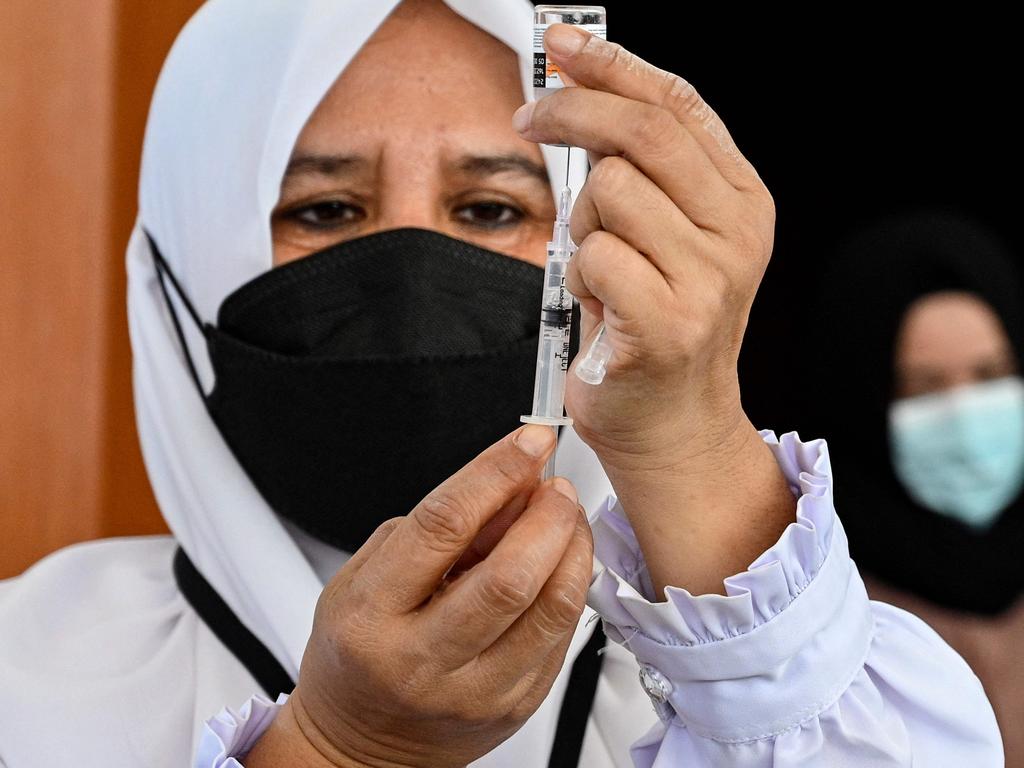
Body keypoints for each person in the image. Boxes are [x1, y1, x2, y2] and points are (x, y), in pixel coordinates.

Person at [0, 2, 1001, 766]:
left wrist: (689, 438)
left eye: (487, 211)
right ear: (188, 256)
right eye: (325, 210)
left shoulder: (755, 684)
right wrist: (335, 751)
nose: (410, 272)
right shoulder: (31, 681)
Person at [802, 211, 1024, 766]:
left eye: (990, 375)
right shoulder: (817, 606)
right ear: (864, 402)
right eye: (923, 388)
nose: (965, 416)